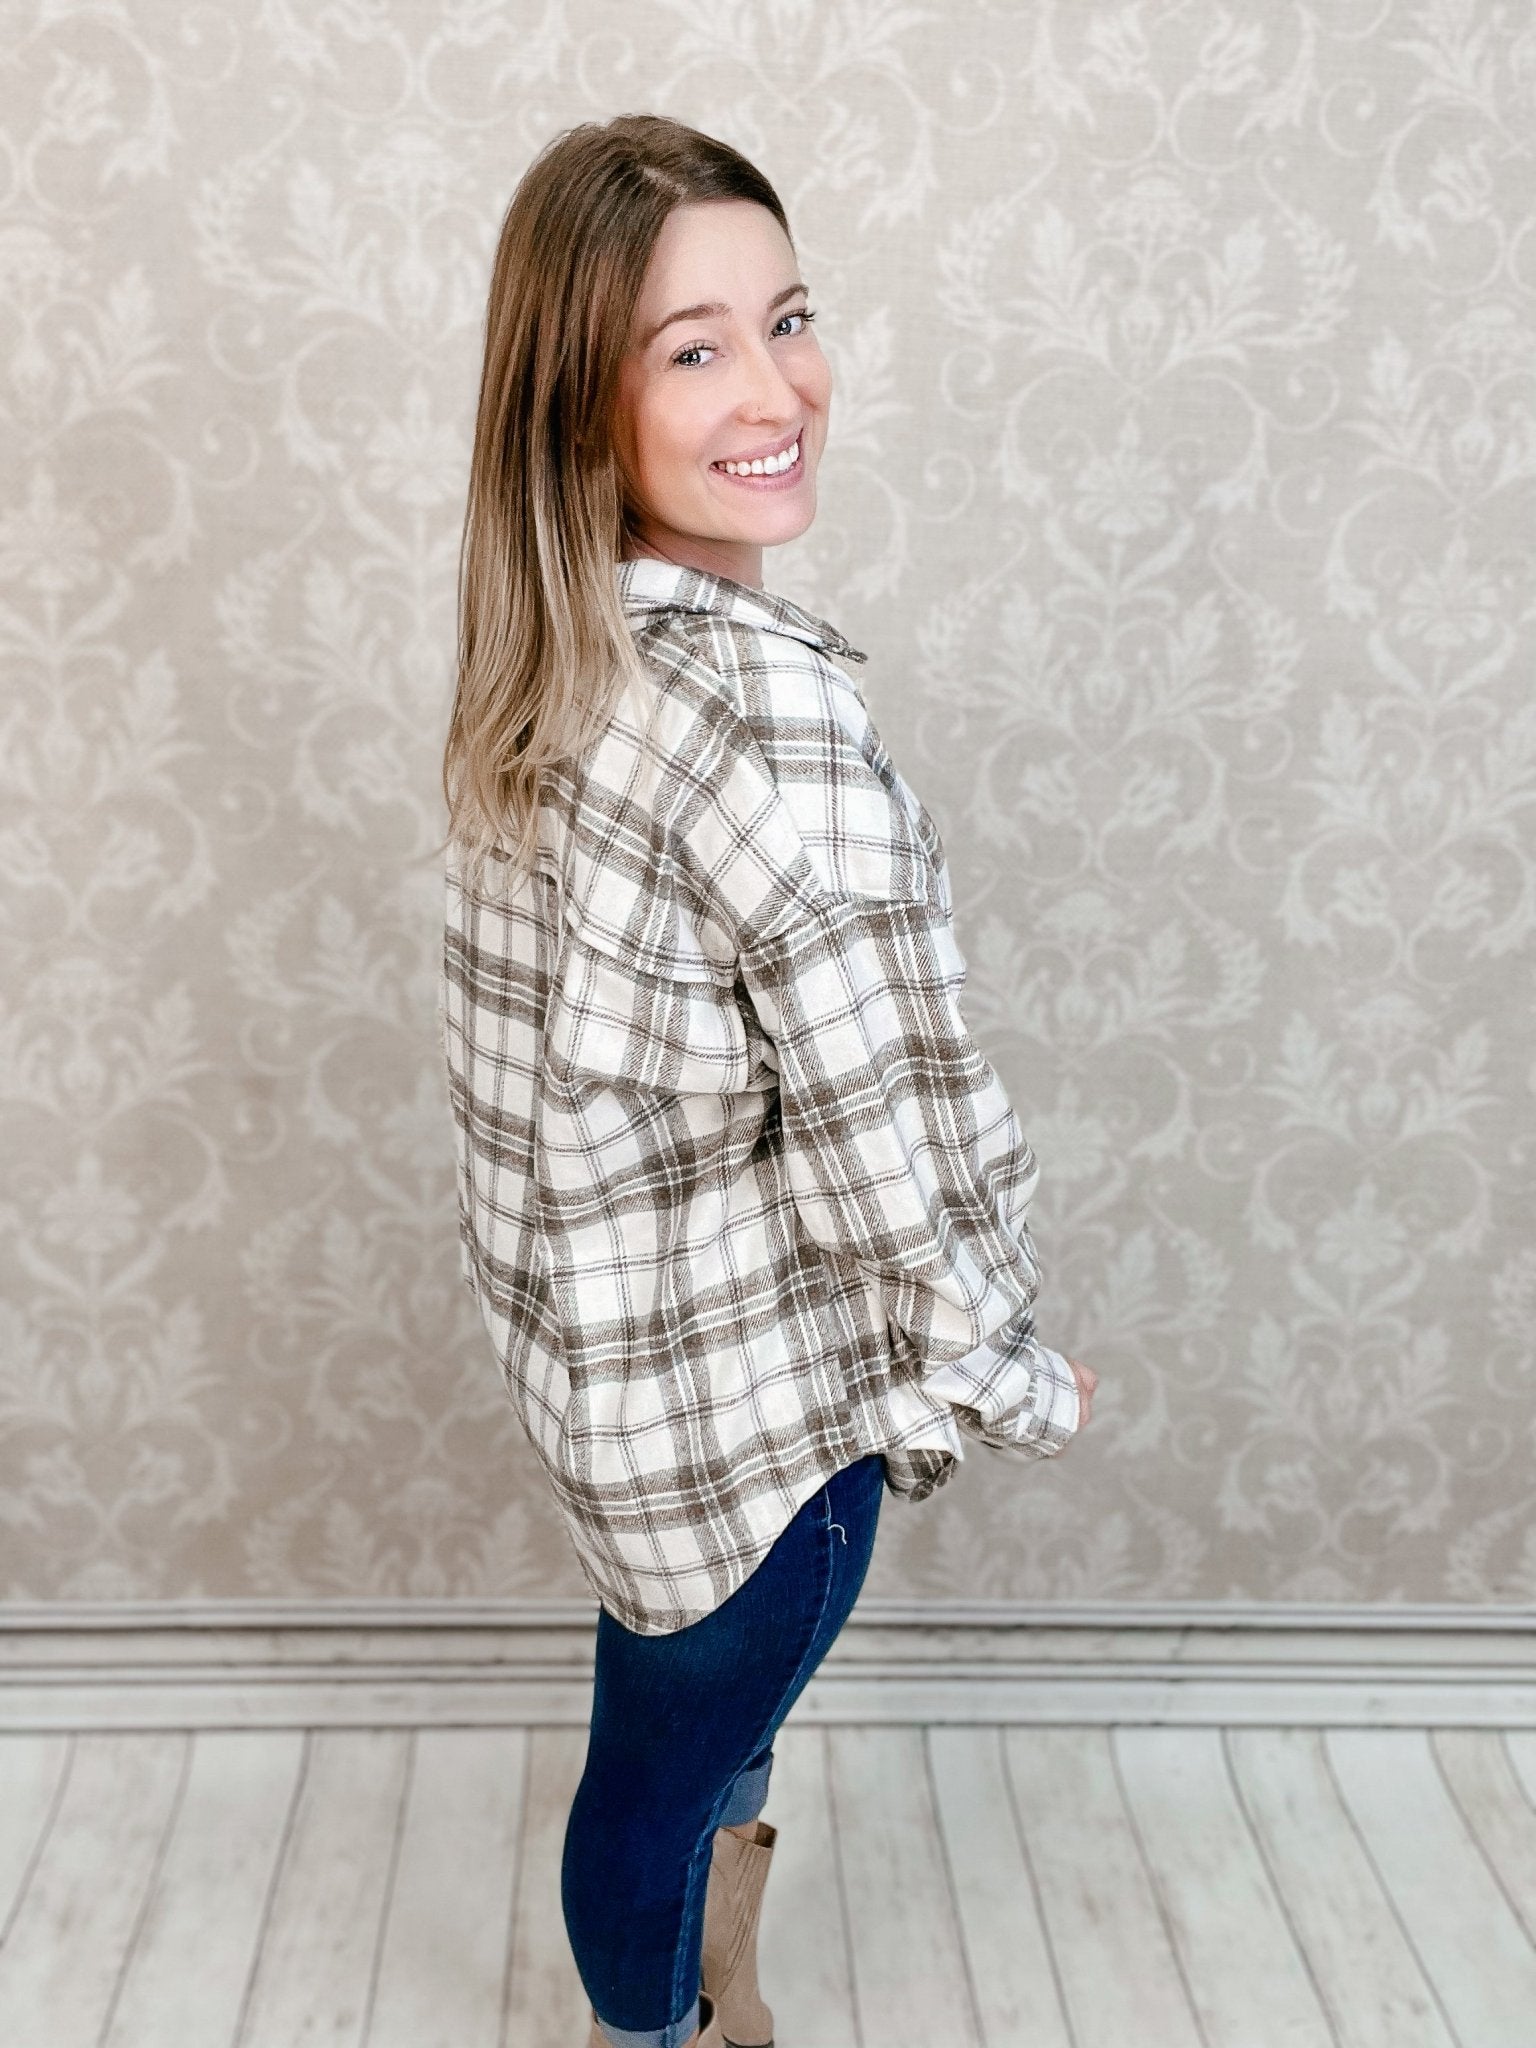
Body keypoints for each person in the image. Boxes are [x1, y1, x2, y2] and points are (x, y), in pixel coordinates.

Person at [439, 112, 1099, 2048]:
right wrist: (1008, 1367)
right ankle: (659, 2028)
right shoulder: (765, 722)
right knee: (657, 1794)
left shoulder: (550, 672)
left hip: (620, 1417)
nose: (776, 387)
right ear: (582, 405)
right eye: (694, 347)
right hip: (761, 1455)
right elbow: (894, 1108)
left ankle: (721, 2002)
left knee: (676, 1744)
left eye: (788, 317)